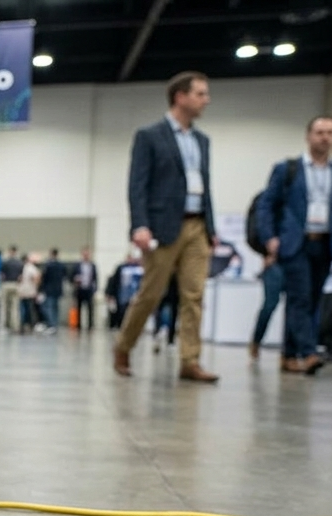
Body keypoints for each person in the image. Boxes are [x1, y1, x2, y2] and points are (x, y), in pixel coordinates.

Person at [113, 71, 220, 383]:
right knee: (151, 294)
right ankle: (123, 346)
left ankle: (190, 360)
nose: (206, 100)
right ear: (180, 96)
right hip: (161, 228)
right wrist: (140, 225)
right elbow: (137, 185)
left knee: (194, 295)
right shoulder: (150, 136)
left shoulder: (202, 140)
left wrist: (211, 228)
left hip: (197, 225)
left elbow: (206, 185)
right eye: (200, 93)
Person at [254, 115, 332, 375]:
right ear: (308, 136)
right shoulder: (288, 169)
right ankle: (308, 353)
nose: (325, 137)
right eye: (320, 132)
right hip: (295, 244)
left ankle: (288, 355)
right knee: (300, 298)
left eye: (330, 132)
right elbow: (266, 205)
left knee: (311, 299)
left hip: (324, 243)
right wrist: (269, 237)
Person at [38, 248, 67, 334]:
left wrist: (41, 289)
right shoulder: (61, 266)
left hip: (49, 290)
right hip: (58, 290)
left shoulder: (48, 265)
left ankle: (51, 324)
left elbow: (44, 278)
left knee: (48, 307)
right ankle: (55, 324)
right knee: (55, 308)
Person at [0, 245, 23, 332]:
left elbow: (1, 275)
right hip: (15, 285)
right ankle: (15, 326)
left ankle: (2, 325)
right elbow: (20, 277)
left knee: (3, 306)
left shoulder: (5, 262)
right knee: (15, 307)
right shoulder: (20, 263)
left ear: (9, 252)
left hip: (6, 284)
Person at [73, 246, 98, 330]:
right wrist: (76, 280)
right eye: (84, 254)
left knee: (90, 308)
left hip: (89, 289)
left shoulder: (93, 265)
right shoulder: (77, 265)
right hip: (80, 289)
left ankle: (90, 325)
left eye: (87, 254)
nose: (86, 255)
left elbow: (95, 278)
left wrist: (95, 289)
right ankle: (78, 324)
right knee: (79, 307)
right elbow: (72, 276)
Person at [17, 253, 41, 333]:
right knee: (28, 309)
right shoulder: (31, 268)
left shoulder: (24, 268)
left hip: (24, 291)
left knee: (24, 309)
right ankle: (28, 325)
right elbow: (36, 278)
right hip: (28, 292)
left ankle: (24, 325)